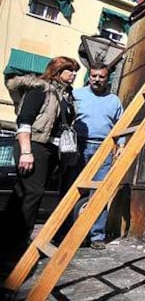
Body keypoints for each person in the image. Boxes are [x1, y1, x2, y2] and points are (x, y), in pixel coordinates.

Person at [0, 56, 79, 268]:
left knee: (23, 194)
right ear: (57, 70)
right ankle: (16, 248)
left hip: (51, 150)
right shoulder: (40, 89)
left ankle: (8, 243)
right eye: (69, 70)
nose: (73, 75)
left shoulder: (66, 96)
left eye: (75, 71)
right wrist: (26, 152)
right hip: (34, 146)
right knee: (32, 194)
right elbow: (24, 120)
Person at [72, 62, 123, 250]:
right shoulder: (77, 95)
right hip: (79, 146)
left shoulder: (114, 101)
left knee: (99, 195)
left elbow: (121, 125)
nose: (97, 79)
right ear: (89, 76)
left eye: (101, 76)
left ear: (107, 78)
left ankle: (96, 236)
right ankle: (69, 234)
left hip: (104, 148)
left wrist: (121, 144)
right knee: (73, 192)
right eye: (94, 76)